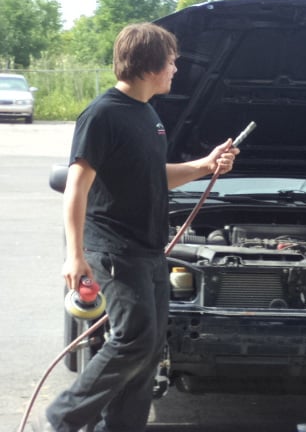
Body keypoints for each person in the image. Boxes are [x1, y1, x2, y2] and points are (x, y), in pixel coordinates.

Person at [41, 23, 239, 432]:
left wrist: (205, 165)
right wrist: (75, 255)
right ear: (150, 67)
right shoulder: (102, 114)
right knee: (133, 338)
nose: (175, 70)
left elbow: (154, 175)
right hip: (114, 248)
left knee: (148, 349)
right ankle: (63, 418)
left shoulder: (147, 114)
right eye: (171, 62)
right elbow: (77, 186)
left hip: (148, 249)